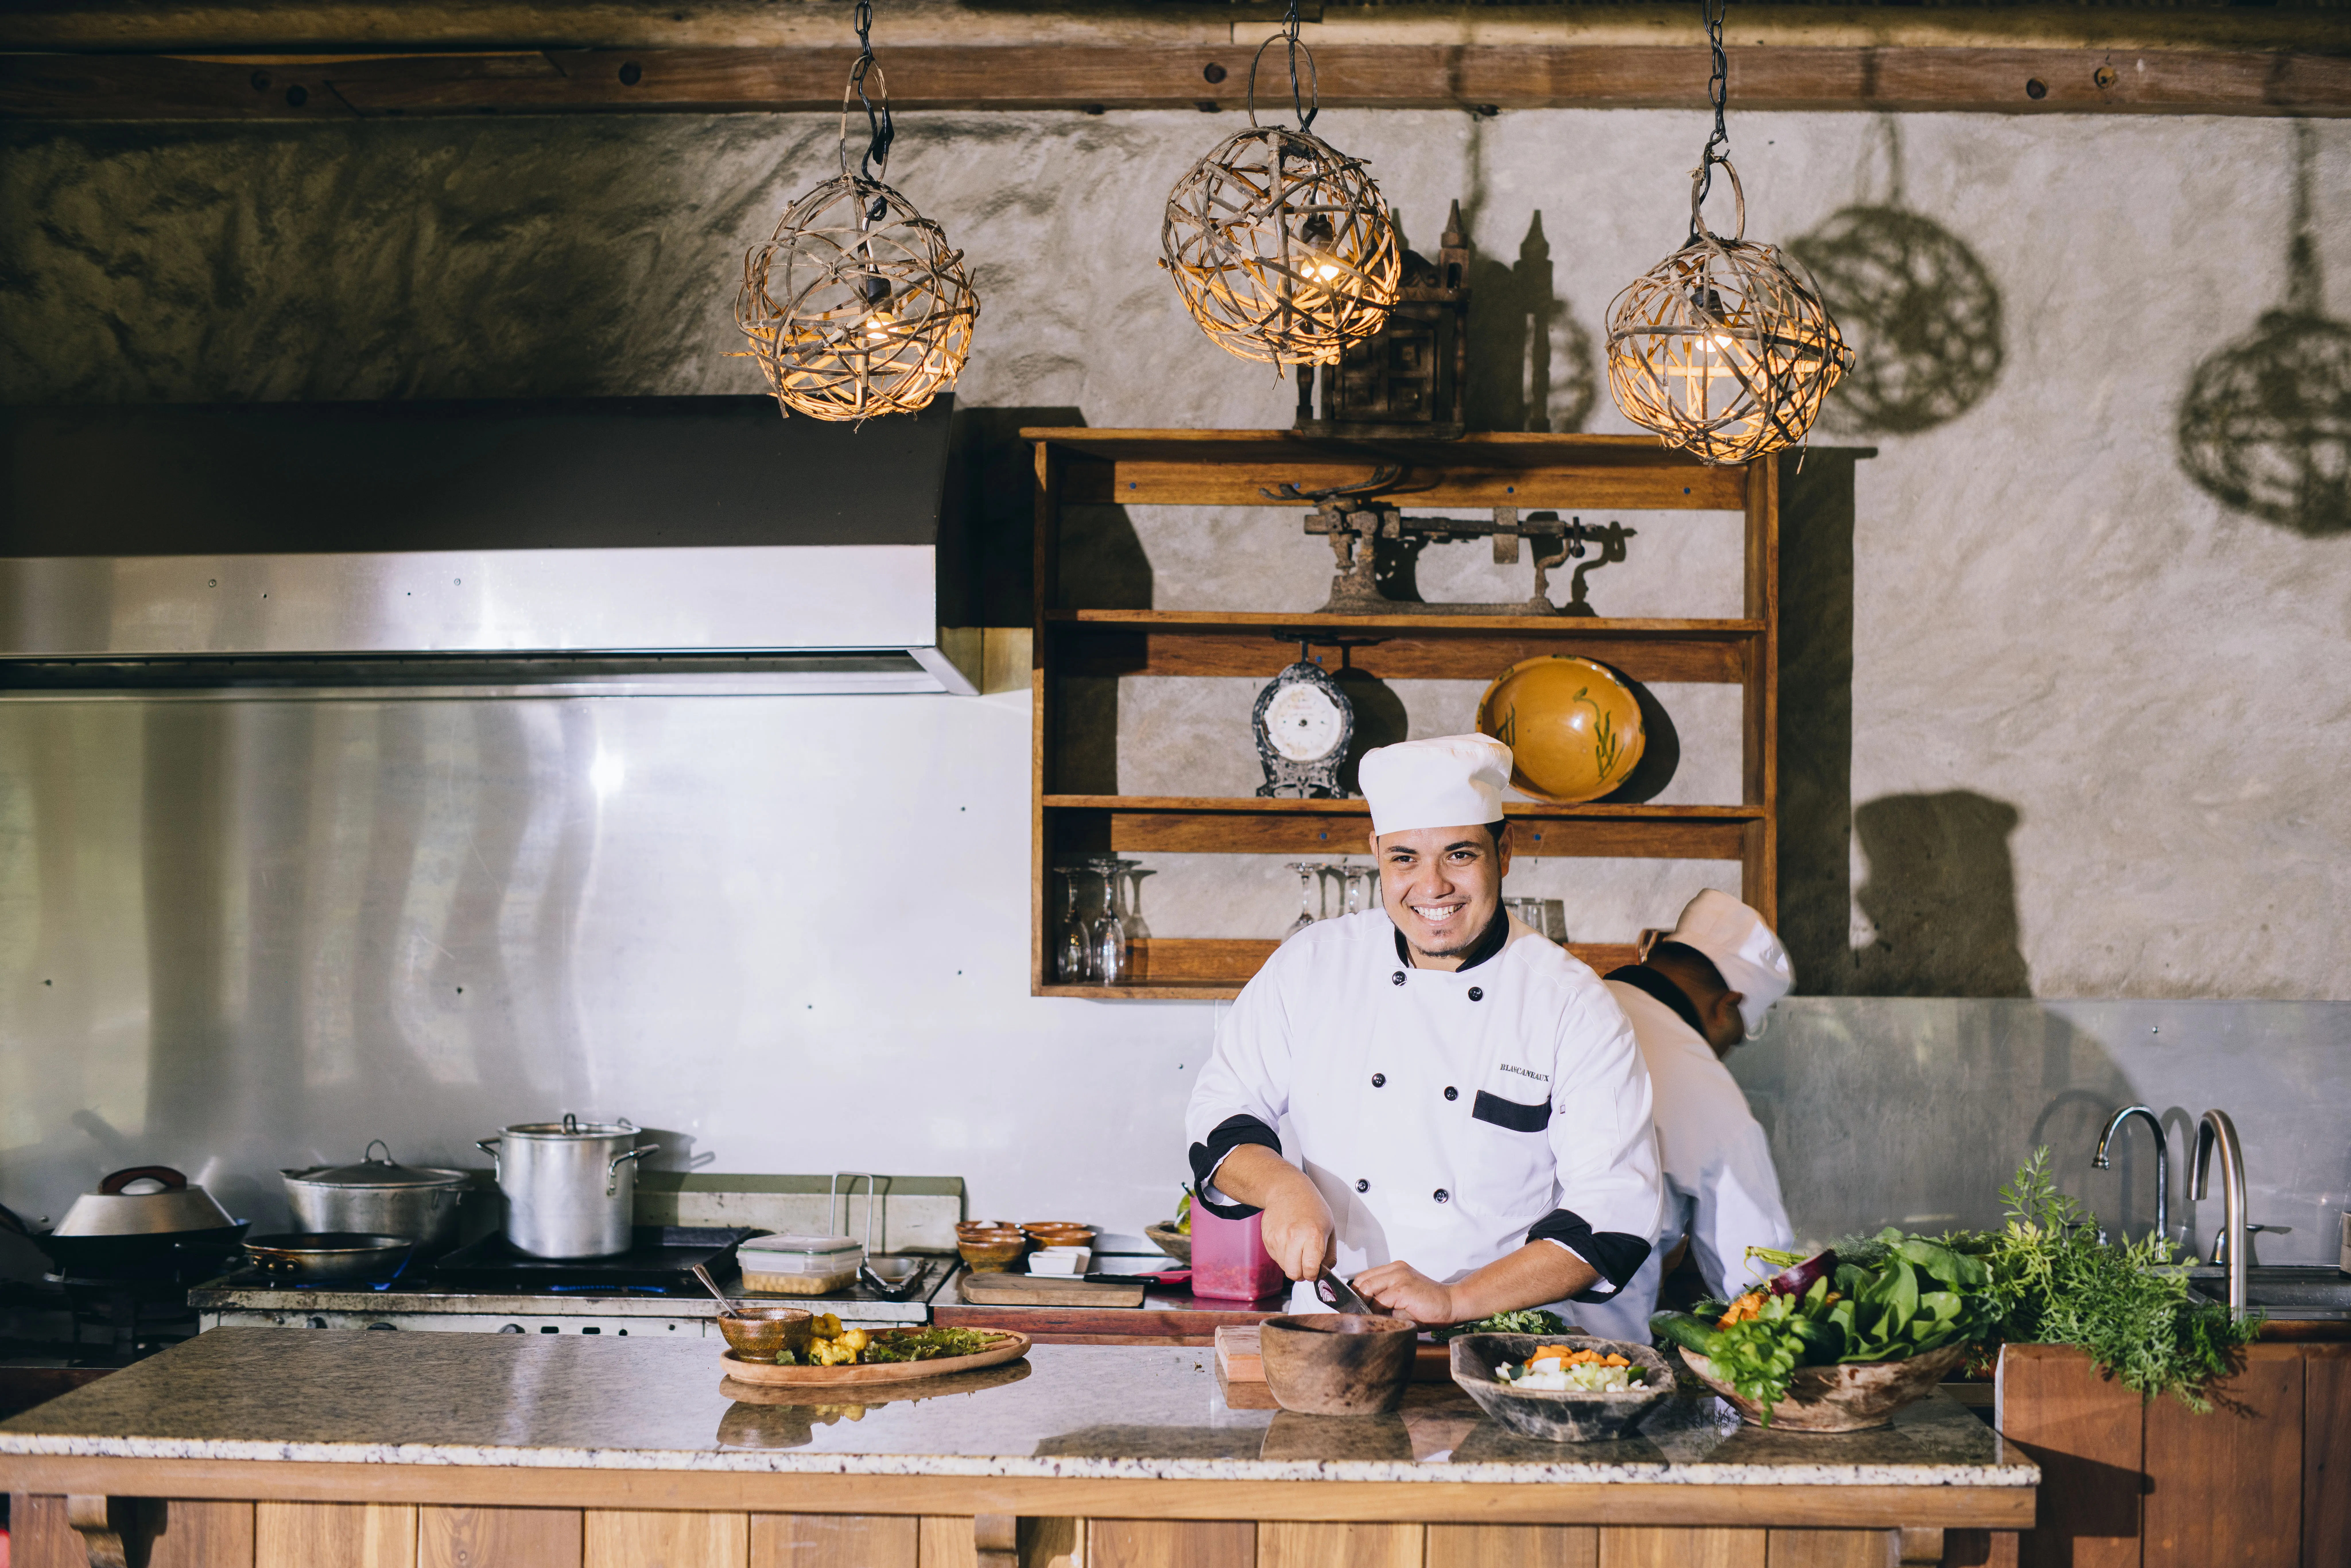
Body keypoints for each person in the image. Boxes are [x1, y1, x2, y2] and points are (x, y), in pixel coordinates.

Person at [1183, 734, 1662, 1324]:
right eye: (1404, 857)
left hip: (1499, 1346)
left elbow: (1613, 1210)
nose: (1431, 886)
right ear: (1376, 852)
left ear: (1504, 849)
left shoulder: (1571, 1004)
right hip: (1334, 1335)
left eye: (1459, 854)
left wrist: (1456, 1298)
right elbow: (1221, 1113)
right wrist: (1284, 1186)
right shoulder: (1312, 965)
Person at [1572, 889, 1797, 1343]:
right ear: (1726, 1006)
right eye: (1733, 1040)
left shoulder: (1573, 1004)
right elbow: (1756, 1279)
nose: (1724, 1054)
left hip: (1468, 1332)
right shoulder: (1705, 1086)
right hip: (1596, 1365)